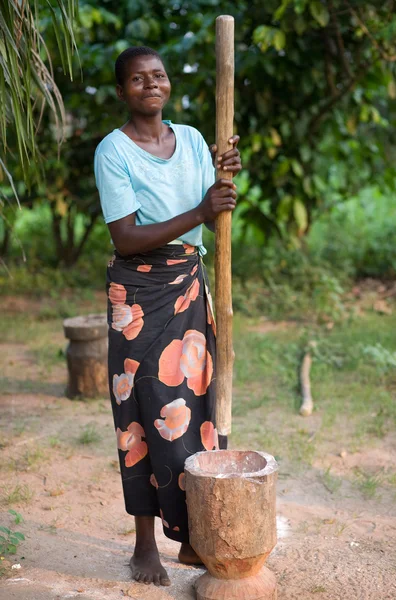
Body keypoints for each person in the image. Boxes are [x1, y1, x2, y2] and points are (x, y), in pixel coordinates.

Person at [94, 46, 241, 588]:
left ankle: (197, 534)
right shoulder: (113, 151)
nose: (150, 85)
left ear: (168, 83)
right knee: (142, 410)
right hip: (137, 296)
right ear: (121, 91)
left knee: (197, 405)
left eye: (157, 76)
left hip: (187, 282)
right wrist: (202, 210)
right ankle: (144, 546)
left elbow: (215, 206)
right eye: (137, 79)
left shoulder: (195, 140)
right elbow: (125, 236)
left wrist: (223, 185)